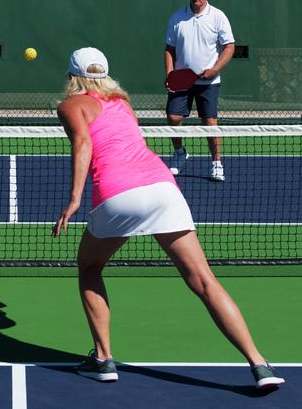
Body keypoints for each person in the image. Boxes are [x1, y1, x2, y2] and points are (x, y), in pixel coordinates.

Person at [52, 47, 284, 389]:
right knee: (204, 281)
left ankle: (103, 359)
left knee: (89, 268)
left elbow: (83, 142)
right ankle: (260, 364)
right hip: (163, 188)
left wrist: (74, 200)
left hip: (118, 196)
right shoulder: (123, 105)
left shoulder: (69, 106)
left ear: (72, 76)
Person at [164, 0, 235, 181]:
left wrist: (215, 69)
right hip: (181, 81)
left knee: (210, 122)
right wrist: (170, 73)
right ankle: (179, 154)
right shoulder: (177, 17)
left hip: (209, 82)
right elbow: (169, 49)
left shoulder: (218, 17)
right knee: (173, 118)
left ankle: (216, 163)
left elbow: (229, 46)